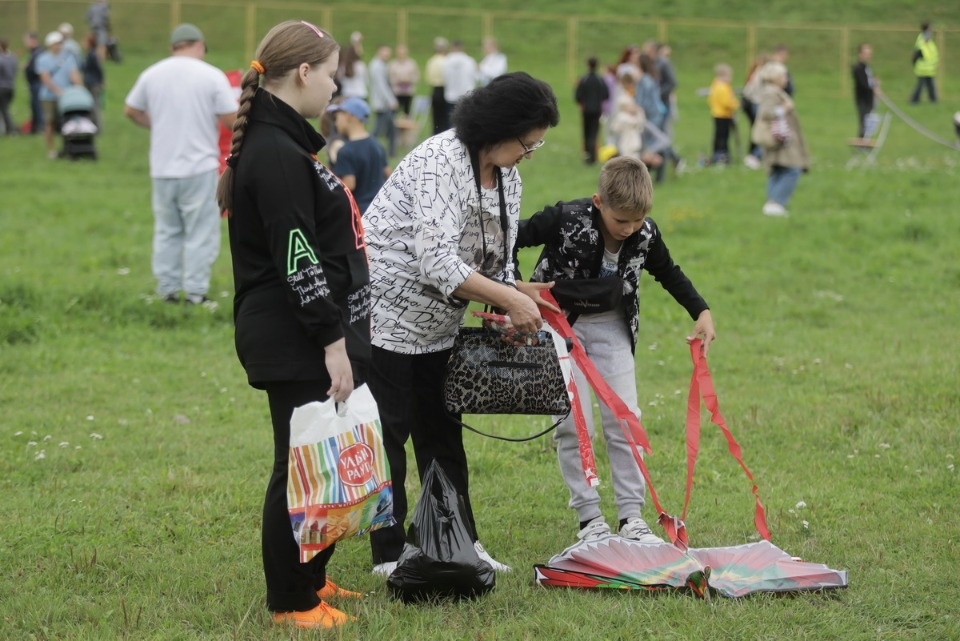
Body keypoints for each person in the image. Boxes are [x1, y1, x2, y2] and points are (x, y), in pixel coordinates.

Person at [363, 71, 560, 577]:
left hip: (441, 322)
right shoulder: (439, 162)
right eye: (527, 143)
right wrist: (508, 299)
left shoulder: (507, 174)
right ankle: (388, 552)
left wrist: (510, 298)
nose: (528, 154)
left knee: (442, 432)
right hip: (388, 314)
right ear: (499, 128)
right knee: (391, 432)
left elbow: (501, 253)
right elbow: (436, 261)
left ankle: (457, 541)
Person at [216, 19, 369, 630]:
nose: (335, 87)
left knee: (323, 457)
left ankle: (314, 575)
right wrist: (332, 341)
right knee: (298, 462)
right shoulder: (276, 154)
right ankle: (291, 601)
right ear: (303, 73)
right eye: (331, 74)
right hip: (293, 333)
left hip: (311, 329)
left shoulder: (289, 145)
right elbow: (297, 256)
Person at [515, 156, 715, 546]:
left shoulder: (645, 233)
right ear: (598, 202)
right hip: (559, 327)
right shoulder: (564, 218)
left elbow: (668, 271)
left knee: (626, 420)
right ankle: (589, 518)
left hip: (612, 328)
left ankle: (631, 517)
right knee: (574, 425)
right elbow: (509, 238)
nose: (629, 229)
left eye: (637, 220)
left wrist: (701, 311)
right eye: (621, 221)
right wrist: (515, 288)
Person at [124, 24, 237, 303]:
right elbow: (231, 120)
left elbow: (131, 109)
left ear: (174, 46)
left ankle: (167, 290)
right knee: (201, 232)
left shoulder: (152, 74)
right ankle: (196, 293)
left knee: (167, 230)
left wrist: (156, 125)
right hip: (199, 166)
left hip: (162, 168)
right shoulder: (211, 76)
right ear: (199, 45)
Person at [755, 62, 809, 217]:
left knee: (777, 169)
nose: (786, 78)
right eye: (784, 75)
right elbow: (766, 113)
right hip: (779, 138)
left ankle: (771, 203)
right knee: (792, 169)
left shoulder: (774, 91)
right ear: (775, 77)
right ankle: (776, 203)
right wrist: (785, 108)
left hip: (780, 137)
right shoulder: (770, 93)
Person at [331, 96, 391, 213]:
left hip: (360, 211)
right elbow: (389, 174)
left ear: (349, 116)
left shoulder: (346, 151)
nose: (336, 123)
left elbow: (350, 185)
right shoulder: (377, 144)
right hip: (380, 208)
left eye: (337, 117)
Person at [36, 30, 81, 158]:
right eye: (56, 43)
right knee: (49, 122)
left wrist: (79, 87)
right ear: (50, 45)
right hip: (48, 96)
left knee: (66, 123)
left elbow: (73, 73)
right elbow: (45, 78)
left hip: (66, 96)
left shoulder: (68, 57)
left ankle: (67, 148)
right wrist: (57, 91)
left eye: (60, 43)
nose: (59, 46)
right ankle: (51, 149)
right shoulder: (43, 59)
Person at [575, 56, 609, 165]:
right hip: (597, 109)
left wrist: (582, 102)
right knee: (594, 132)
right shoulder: (600, 79)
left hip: (586, 110)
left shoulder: (584, 79)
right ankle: (593, 156)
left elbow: (578, 95)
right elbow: (606, 94)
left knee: (586, 132)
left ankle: (587, 155)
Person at [368, 44, 397, 157]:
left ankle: (391, 151)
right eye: (385, 52)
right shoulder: (377, 66)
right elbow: (382, 86)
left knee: (390, 128)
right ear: (379, 51)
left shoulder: (380, 65)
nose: (387, 55)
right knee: (378, 129)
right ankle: (370, 147)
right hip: (382, 103)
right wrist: (391, 100)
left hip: (382, 102)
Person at [708, 63, 739, 165]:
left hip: (719, 114)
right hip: (722, 115)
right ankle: (722, 155)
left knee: (720, 135)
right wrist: (735, 104)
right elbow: (726, 102)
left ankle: (720, 154)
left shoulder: (716, 85)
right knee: (723, 136)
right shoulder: (721, 87)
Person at [442, 40, 477, 121]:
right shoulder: (469, 61)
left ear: (452, 48)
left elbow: (445, 77)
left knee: (451, 124)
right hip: (466, 95)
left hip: (451, 95)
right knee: (466, 122)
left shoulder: (446, 61)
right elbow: (475, 77)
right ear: (462, 48)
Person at [852, 43, 878, 139]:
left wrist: (875, 83)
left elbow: (868, 81)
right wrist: (872, 89)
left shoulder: (867, 67)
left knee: (869, 119)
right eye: (866, 53)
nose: (868, 56)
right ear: (860, 54)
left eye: (869, 54)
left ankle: (866, 140)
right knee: (863, 120)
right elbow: (863, 83)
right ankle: (862, 141)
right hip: (862, 98)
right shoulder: (858, 68)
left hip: (869, 98)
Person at [909, 22, 938, 104]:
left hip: (929, 69)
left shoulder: (929, 41)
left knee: (930, 86)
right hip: (923, 68)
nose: (931, 31)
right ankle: (913, 100)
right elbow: (918, 53)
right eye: (930, 29)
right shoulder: (922, 40)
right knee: (920, 86)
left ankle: (933, 100)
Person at [425, 36, 448, 134]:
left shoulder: (431, 61)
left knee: (435, 118)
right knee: (444, 117)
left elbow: (428, 77)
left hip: (434, 90)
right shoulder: (446, 61)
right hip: (444, 90)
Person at [387, 44, 418, 116]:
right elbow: (390, 77)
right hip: (397, 91)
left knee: (407, 112)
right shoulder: (393, 64)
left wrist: (408, 79)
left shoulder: (411, 63)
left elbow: (415, 76)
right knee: (394, 111)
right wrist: (399, 80)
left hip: (408, 91)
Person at [82, 32, 104, 129]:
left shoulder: (92, 55)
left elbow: (98, 70)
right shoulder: (90, 54)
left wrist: (100, 82)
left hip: (93, 83)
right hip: (91, 82)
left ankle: (97, 126)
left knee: (94, 105)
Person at [23, 32, 43, 134]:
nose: (25, 43)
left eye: (27, 40)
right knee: (34, 106)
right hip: (33, 83)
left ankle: (40, 127)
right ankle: (34, 128)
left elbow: (37, 69)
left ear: (33, 40)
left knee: (38, 106)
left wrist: (28, 67)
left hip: (37, 83)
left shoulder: (38, 53)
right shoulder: (33, 53)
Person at [337, 33, 367, 100]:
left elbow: (340, 79)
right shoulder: (360, 65)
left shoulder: (343, 66)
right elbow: (365, 80)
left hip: (346, 94)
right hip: (360, 94)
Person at [0, 39, 17, 135]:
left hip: (2, 87)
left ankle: (10, 129)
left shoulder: (1, 59)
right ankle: (7, 129)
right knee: (5, 108)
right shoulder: (12, 58)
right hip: (10, 86)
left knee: (4, 109)